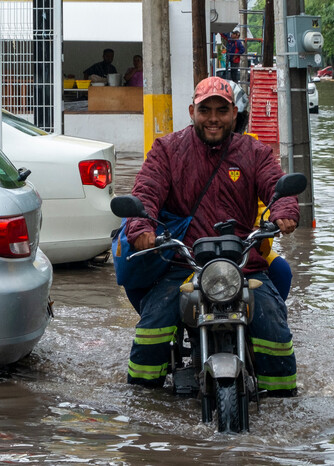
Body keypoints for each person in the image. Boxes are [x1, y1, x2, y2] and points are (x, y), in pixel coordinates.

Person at [123, 76, 299, 396]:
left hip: (243, 263)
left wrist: (284, 210)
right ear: (193, 111)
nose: (214, 118)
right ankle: (142, 402)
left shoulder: (254, 151)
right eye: (206, 110)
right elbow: (145, 192)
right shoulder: (167, 150)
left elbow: (276, 186)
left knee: (273, 325)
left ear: (234, 113)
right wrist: (141, 228)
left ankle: (283, 405)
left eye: (221, 110)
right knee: (154, 328)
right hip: (184, 261)